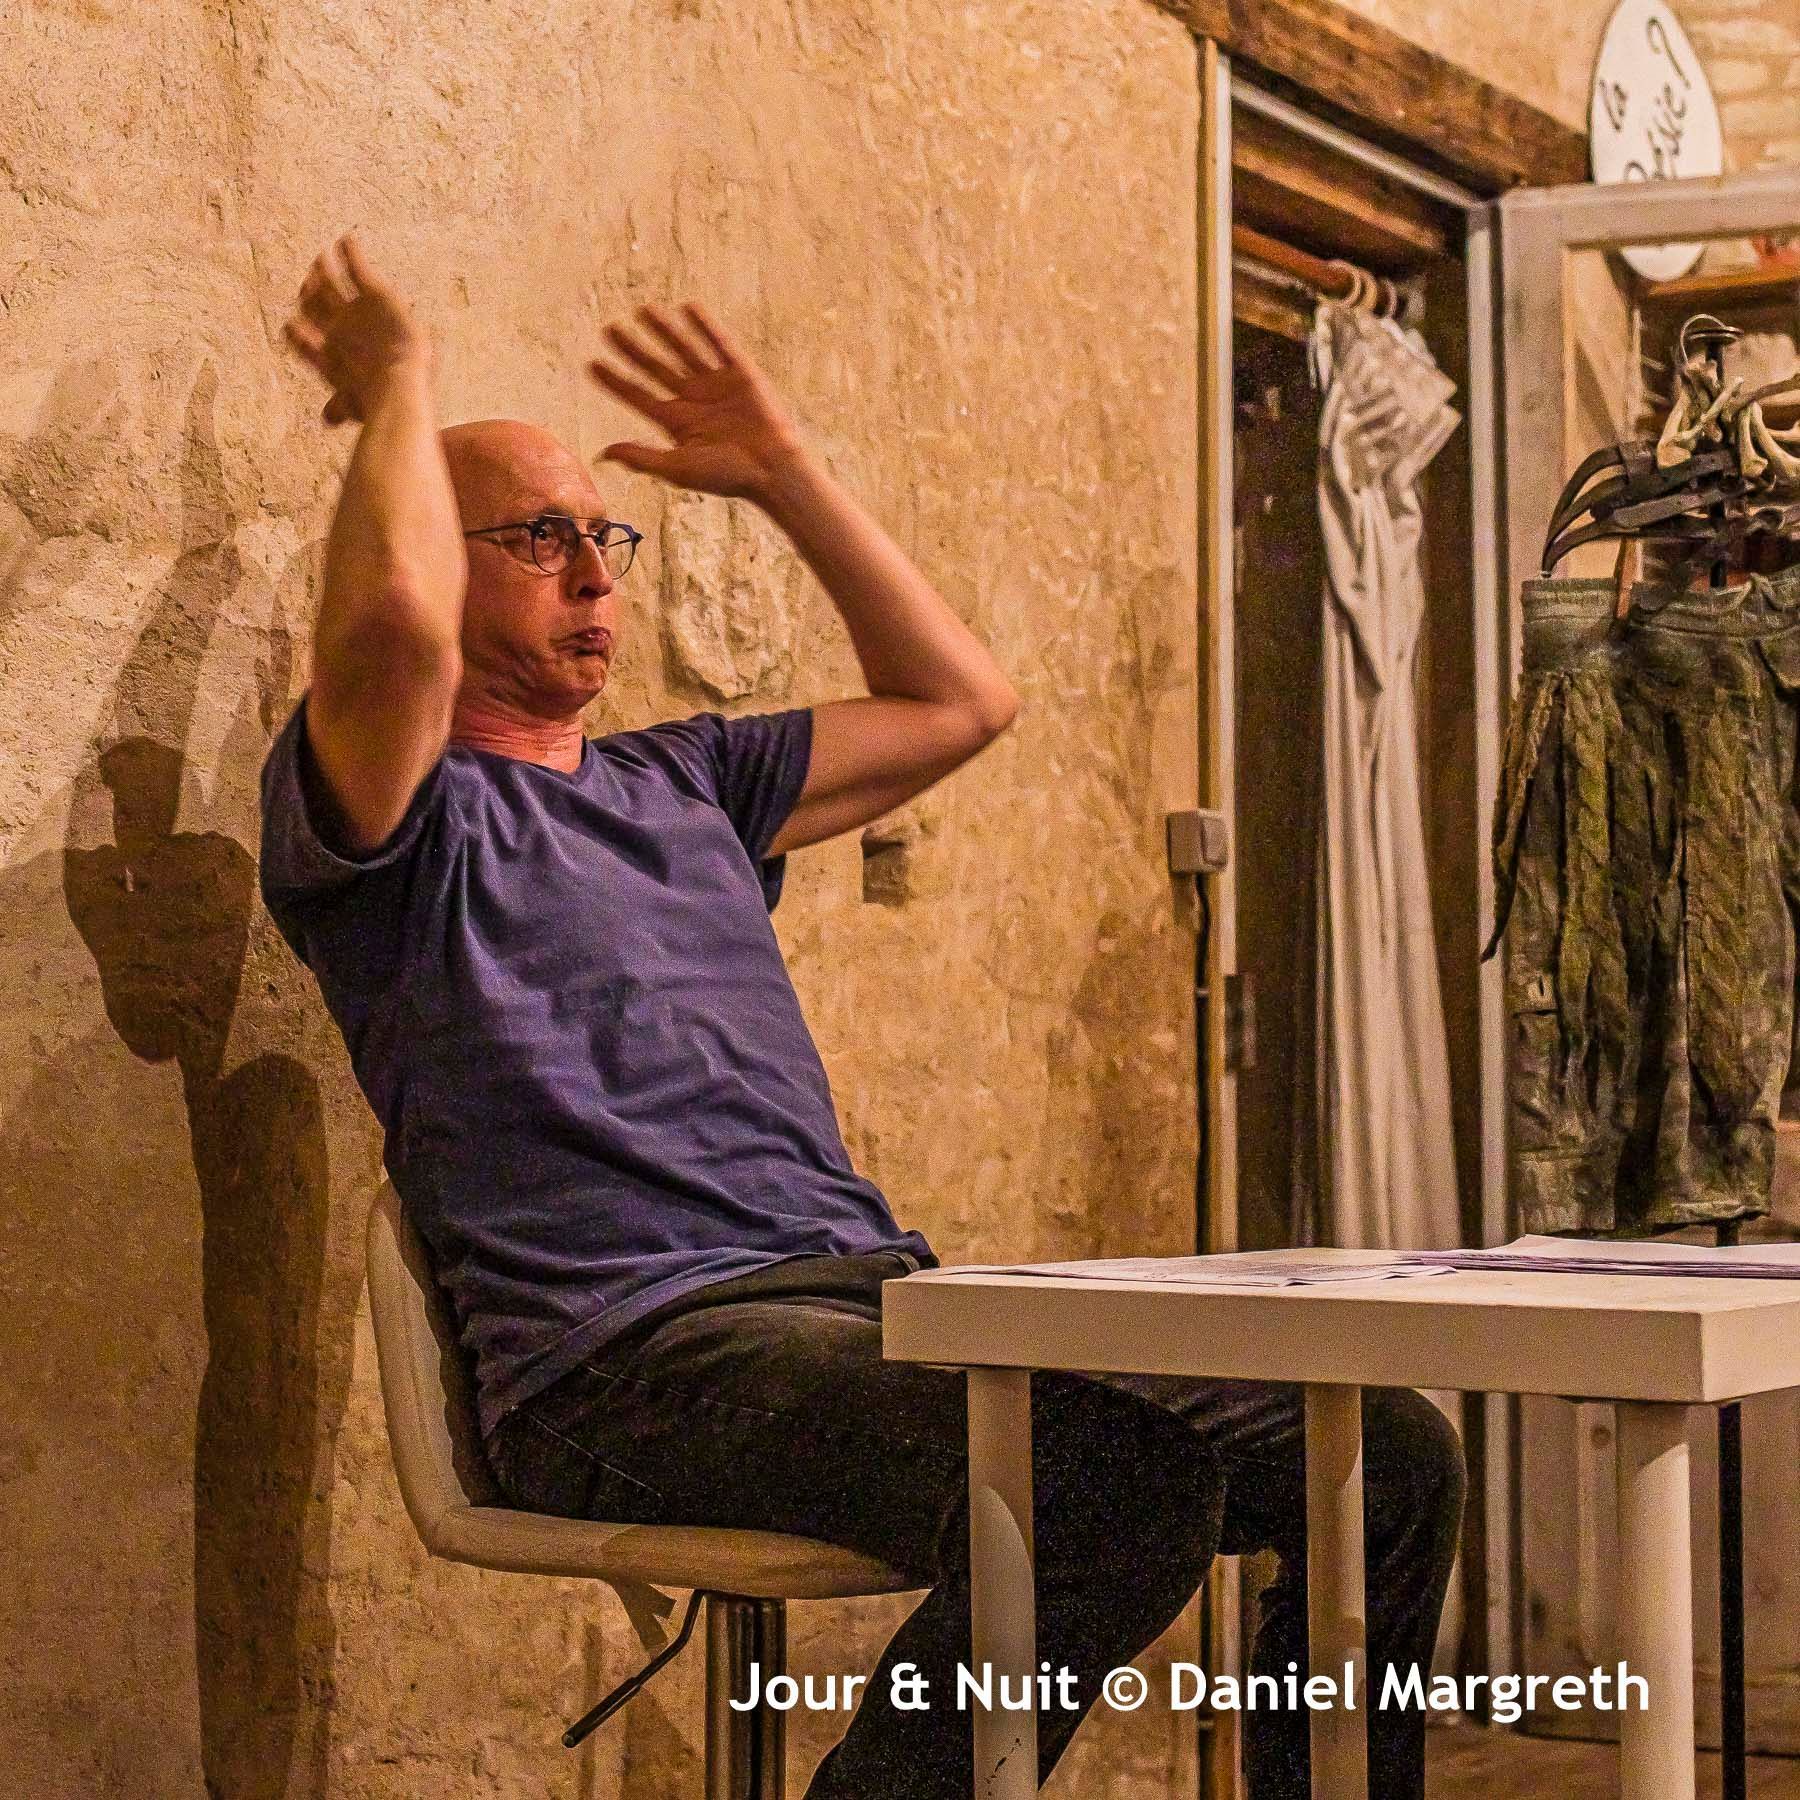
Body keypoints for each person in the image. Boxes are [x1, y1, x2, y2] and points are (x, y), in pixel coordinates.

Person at [259, 234, 1464, 1799]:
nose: (597, 574)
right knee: (1109, 1490)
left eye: (604, 535)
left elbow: (965, 702)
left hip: (871, 1303)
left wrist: (783, 471)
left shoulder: (685, 781)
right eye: (539, 537)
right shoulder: (396, 815)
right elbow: (392, 640)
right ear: (440, 548)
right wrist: (396, 397)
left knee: (1385, 1455)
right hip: (629, 1358)